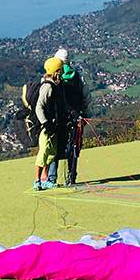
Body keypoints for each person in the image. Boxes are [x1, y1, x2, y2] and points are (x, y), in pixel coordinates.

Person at [51, 47, 87, 186]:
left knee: (54, 146)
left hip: (58, 118)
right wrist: (84, 114)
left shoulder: (54, 77)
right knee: (74, 147)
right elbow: (85, 96)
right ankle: (71, 177)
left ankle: (51, 178)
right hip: (75, 117)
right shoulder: (77, 76)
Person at [32, 57, 66, 191]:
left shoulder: (55, 85)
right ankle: (37, 180)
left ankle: (45, 179)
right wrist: (45, 124)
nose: (62, 73)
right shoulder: (47, 87)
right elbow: (39, 107)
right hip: (45, 127)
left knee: (51, 153)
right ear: (56, 71)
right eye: (60, 70)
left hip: (53, 126)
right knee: (43, 153)